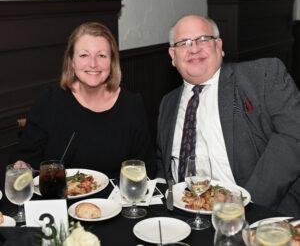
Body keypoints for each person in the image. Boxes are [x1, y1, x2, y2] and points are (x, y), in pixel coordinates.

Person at [156, 15, 300, 216]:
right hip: (187, 215)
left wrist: (246, 206)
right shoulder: (168, 104)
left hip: (258, 213)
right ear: (173, 55)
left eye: (203, 39)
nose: (194, 48)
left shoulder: (262, 75)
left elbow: (294, 135)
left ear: (219, 46)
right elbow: (164, 164)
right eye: (184, 43)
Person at [12, 22, 156, 179]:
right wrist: (23, 166)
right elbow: (25, 159)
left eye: (101, 55)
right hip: (59, 198)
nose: (93, 64)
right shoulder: (50, 100)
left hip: (116, 200)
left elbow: (146, 168)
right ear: (72, 61)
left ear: (112, 62)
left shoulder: (132, 105)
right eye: (84, 55)